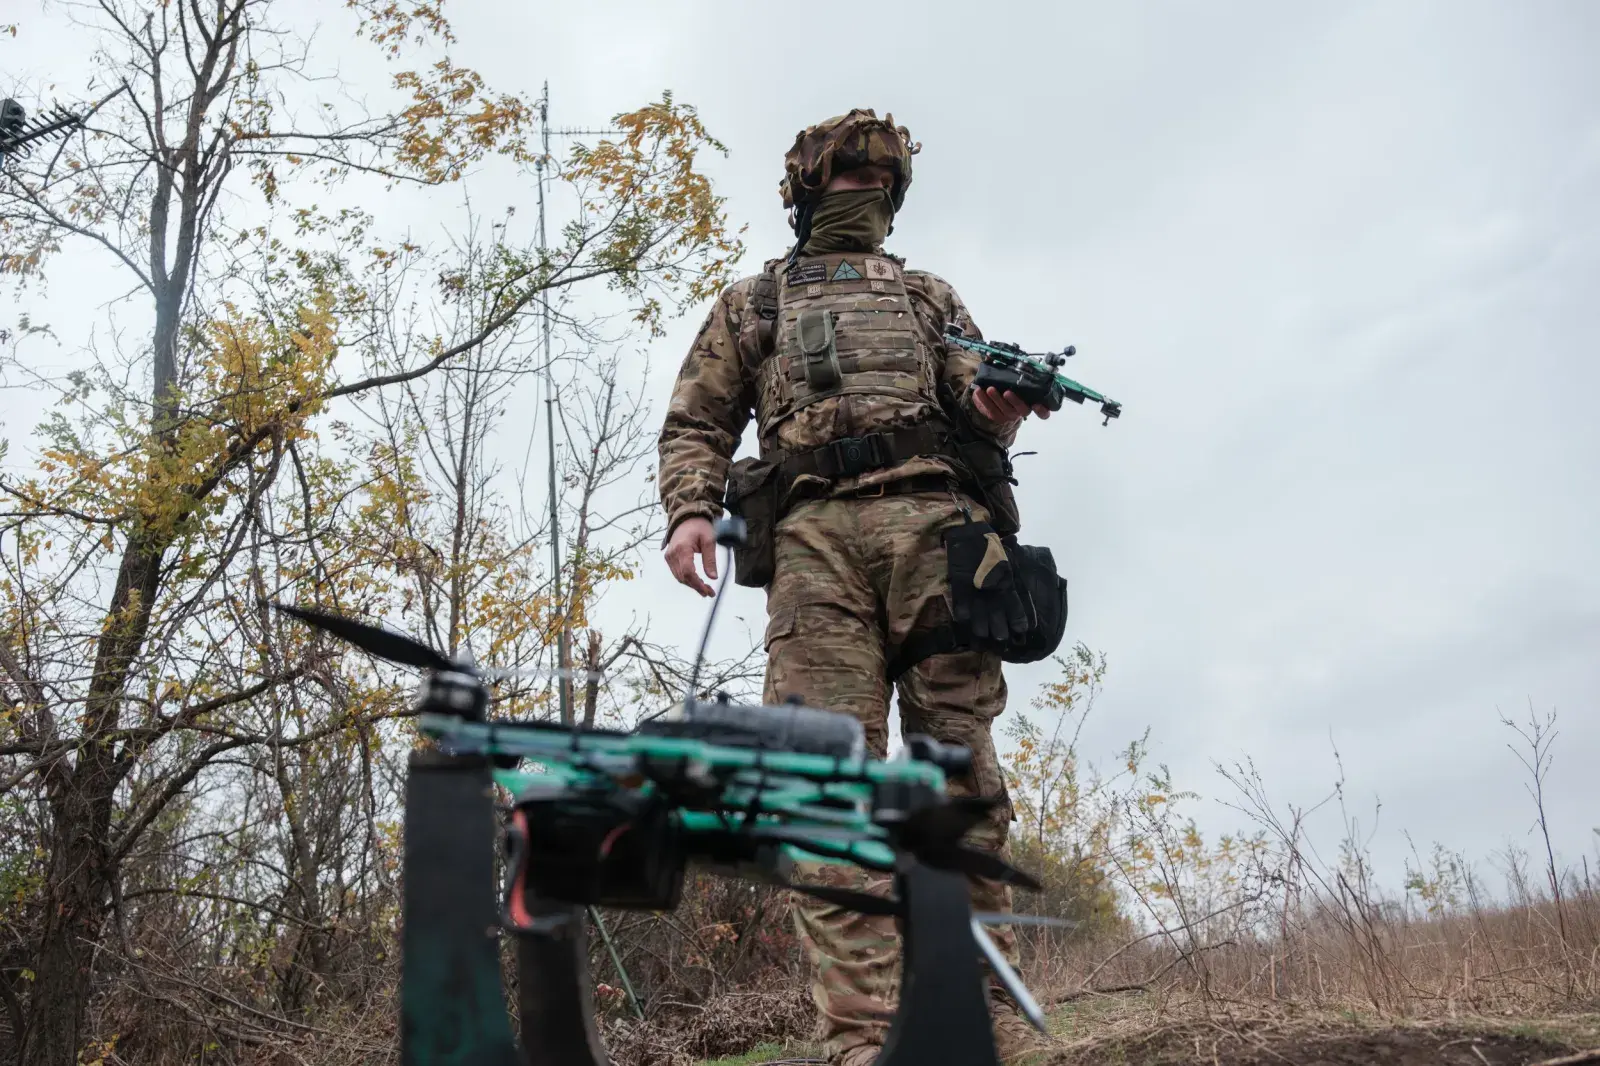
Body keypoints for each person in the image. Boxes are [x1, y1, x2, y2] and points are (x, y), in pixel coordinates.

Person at [657, 109, 1057, 1066]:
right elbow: (697, 420)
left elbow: (974, 398)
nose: (864, 195)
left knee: (960, 774)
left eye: (879, 183)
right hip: (814, 547)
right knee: (826, 784)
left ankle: (983, 1023)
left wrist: (999, 406)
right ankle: (863, 1040)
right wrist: (689, 510)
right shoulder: (754, 303)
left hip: (938, 540)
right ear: (807, 192)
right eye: (847, 180)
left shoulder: (928, 298)